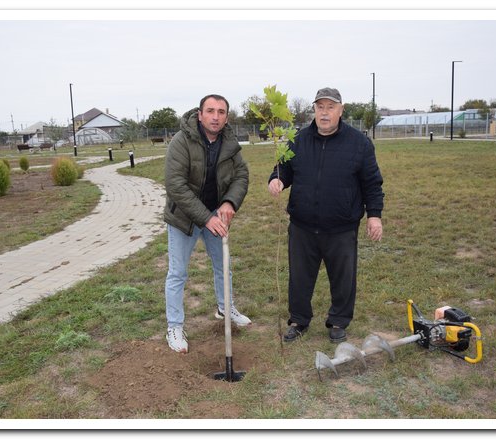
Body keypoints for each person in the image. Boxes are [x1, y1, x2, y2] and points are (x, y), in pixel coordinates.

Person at [268, 87, 384, 343]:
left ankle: (338, 320)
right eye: (320, 107)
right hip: (302, 225)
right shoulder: (298, 139)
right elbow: (283, 169)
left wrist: (374, 215)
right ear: (314, 110)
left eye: (330, 107)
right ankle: (299, 319)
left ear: (341, 110)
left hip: (341, 226)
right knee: (299, 277)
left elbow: (372, 183)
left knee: (343, 277)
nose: (324, 112)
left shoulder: (359, 143)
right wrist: (277, 180)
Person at [163, 94, 251, 354]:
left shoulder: (229, 142)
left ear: (226, 117)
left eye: (221, 112)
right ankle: (174, 326)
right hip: (184, 217)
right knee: (177, 273)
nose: (215, 117)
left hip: (215, 213)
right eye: (210, 111)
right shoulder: (181, 141)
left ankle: (226, 308)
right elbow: (175, 185)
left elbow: (241, 175)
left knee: (224, 266)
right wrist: (206, 218)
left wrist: (229, 202)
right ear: (200, 115)